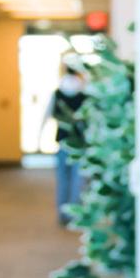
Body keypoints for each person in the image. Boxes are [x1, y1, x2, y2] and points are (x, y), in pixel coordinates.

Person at [40, 61, 88, 226]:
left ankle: (62, 214)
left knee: (63, 178)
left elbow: (47, 114)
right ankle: (74, 213)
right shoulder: (84, 93)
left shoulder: (58, 92)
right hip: (80, 144)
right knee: (78, 180)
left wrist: (40, 137)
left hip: (62, 141)